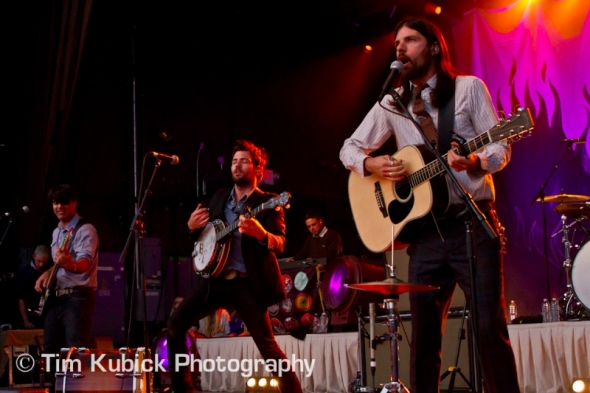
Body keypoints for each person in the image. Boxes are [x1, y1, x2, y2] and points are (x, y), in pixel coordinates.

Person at [340, 17, 519, 393]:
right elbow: (349, 149)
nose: (400, 48)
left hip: (472, 224)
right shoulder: (392, 102)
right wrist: (373, 164)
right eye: (397, 42)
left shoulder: (468, 89)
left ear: (434, 47)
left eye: (410, 40)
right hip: (426, 235)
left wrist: (475, 161)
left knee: (488, 329)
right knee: (422, 341)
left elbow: (500, 148)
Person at [167, 140, 302, 393]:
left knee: (268, 349)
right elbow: (204, 239)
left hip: (247, 285)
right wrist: (190, 228)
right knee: (175, 325)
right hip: (215, 282)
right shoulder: (218, 198)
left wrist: (261, 234)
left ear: (257, 170)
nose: (237, 165)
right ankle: (182, 389)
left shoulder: (269, 201)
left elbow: (280, 243)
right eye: (234, 161)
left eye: (243, 161)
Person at [34, 184, 99, 355]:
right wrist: (46, 274)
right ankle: (53, 382)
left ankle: (77, 383)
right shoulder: (57, 231)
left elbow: (85, 264)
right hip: (56, 297)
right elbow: (58, 263)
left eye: (64, 202)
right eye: (56, 203)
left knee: (75, 350)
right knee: (50, 350)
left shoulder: (85, 229)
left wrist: (70, 265)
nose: (59, 207)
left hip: (78, 297)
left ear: (74, 203)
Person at [16, 245, 50, 328]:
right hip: (30, 315)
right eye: (39, 261)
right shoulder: (24, 273)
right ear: (34, 256)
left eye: (44, 262)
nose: (41, 264)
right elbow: (21, 298)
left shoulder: (48, 271)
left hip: (46, 315)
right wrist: (25, 320)